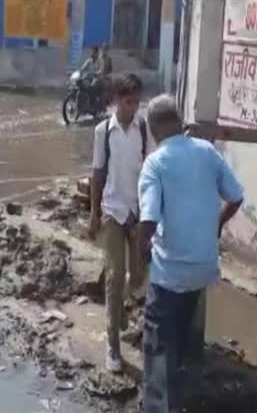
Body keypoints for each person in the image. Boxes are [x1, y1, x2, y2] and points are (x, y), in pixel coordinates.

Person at [137, 95, 244, 412]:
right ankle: (191, 401)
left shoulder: (155, 162)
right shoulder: (207, 151)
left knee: (159, 348)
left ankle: (160, 406)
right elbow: (236, 197)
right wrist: (216, 226)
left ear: (154, 127)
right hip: (204, 268)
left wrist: (138, 258)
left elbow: (148, 219)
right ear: (178, 120)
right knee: (189, 343)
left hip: (171, 273)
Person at [89, 74, 151, 374]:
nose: (133, 106)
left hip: (139, 212)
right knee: (116, 277)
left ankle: (120, 308)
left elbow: (153, 170)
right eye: (128, 101)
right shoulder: (103, 131)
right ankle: (113, 345)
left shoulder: (144, 128)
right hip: (113, 210)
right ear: (116, 100)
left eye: (137, 101)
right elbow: (97, 173)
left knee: (138, 277)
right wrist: (93, 214)